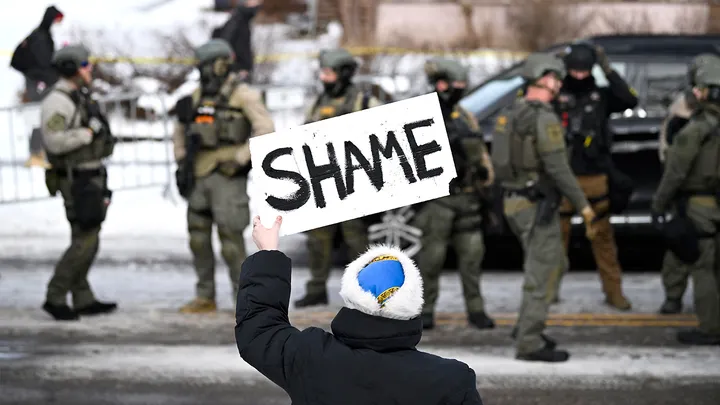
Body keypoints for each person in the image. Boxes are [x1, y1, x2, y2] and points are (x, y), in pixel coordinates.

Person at [236, 215, 484, 404]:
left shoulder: (310, 357)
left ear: (351, 297)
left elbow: (259, 328)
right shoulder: (452, 381)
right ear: (413, 304)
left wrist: (269, 253)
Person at [491, 52, 597, 362]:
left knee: (555, 265)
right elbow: (558, 168)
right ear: (547, 79)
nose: (559, 85)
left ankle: (526, 325)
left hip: (515, 202)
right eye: (557, 79)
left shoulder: (510, 113)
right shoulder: (543, 118)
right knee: (543, 273)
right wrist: (584, 207)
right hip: (536, 205)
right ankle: (529, 341)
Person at [172, 39, 275, 314]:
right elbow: (180, 129)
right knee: (198, 237)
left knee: (231, 240)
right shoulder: (196, 96)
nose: (202, 71)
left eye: (206, 65)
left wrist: (241, 158)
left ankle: (245, 301)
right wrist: (181, 158)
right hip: (199, 172)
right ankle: (205, 296)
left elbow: (265, 129)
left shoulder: (243, 95)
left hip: (228, 174)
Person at [552, 43, 638, 310]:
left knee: (603, 240)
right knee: (554, 241)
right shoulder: (555, 94)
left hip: (595, 177)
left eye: (584, 71)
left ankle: (614, 293)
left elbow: (629, 99)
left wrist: (607, 68)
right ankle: (547, 293)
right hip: (562, 178)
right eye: (573, 71)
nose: (579, 76)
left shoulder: (601, 95)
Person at [293, 48, 382, 308]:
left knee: (356, 239)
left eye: (329, 73)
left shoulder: (364, 102)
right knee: (317, 240)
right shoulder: (318, 102)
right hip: (324, 182)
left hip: (352, 182)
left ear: (343, 74)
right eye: (322, 73)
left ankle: (366, 291)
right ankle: (317, 288)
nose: (324, 78)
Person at [413, 57, 495, 330]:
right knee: (431, 260)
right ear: (441, 84)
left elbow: (481, 154)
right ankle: (425, 311)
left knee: (472, 258)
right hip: (438, 200)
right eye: (456, 84)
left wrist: (485, 177)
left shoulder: (464, 115)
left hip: (468, 198)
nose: (460, 89)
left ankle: (476, 309)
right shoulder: (420, 114)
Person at [40, 44, 117, 321]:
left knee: (87, 239)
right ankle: (55, 294)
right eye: (84, 64)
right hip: (77, 179)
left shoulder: (78, 96)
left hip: (90, 176)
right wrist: (87, 133)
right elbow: (54, 141)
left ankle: (82, 296)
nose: (89, 69)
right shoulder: (58, 101)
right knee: (85, 240)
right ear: (71, 68)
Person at [651, 60, 720, 346]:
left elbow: (675, 172)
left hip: (699, 204)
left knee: (701, 267)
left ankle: (710, 328)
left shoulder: (696, 130)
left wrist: (658, 204)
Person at [10, 5, 64, 168]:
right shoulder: (41, 37)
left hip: (39, 82)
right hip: (38, 83)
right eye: (57, 21)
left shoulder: (41, 34)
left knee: (43, 116)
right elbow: (43, 64)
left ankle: (40, 152)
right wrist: (54, 78)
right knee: (39, 117)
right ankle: (36, 153)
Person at [213, 0, 262, 82]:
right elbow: (227, 43)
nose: (258, 4)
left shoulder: (241, 18)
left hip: (238, 68)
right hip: (237, 70)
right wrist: (242, 67)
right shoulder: (238, 19)